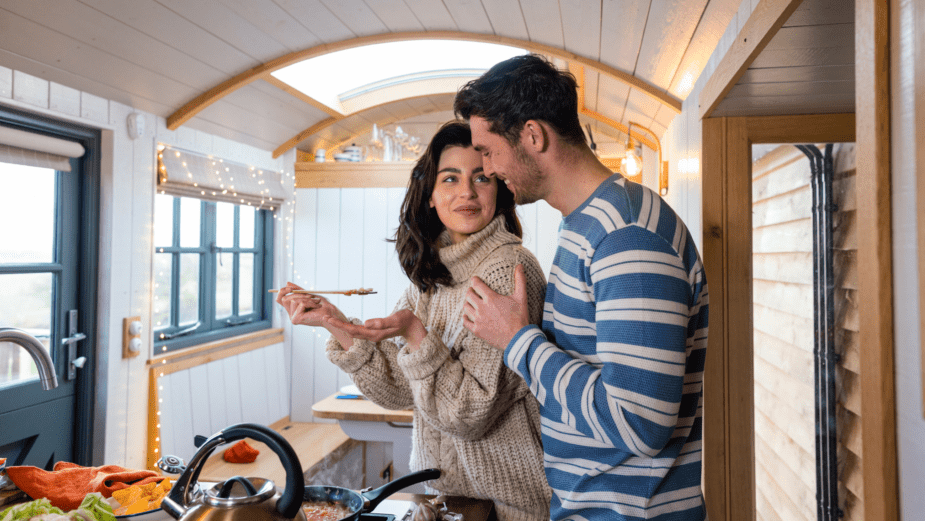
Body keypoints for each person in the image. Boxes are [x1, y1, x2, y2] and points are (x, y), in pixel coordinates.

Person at [454, 54, 709, 521]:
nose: (487, 170)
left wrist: (518, 342)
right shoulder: (585, 224)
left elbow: (641, 425)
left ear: (533, 136)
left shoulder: (625, 235)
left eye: (488, 151)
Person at [276, 121, 552, 521]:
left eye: (481, 178)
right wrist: (335, 323)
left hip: (509, 509)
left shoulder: (507, 270)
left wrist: (416, 334)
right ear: (430, 196)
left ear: (500, 191)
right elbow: (402, 391)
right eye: (450, 178)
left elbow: (469, 414)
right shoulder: (431, 278)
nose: (467, 192)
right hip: (449, 500)